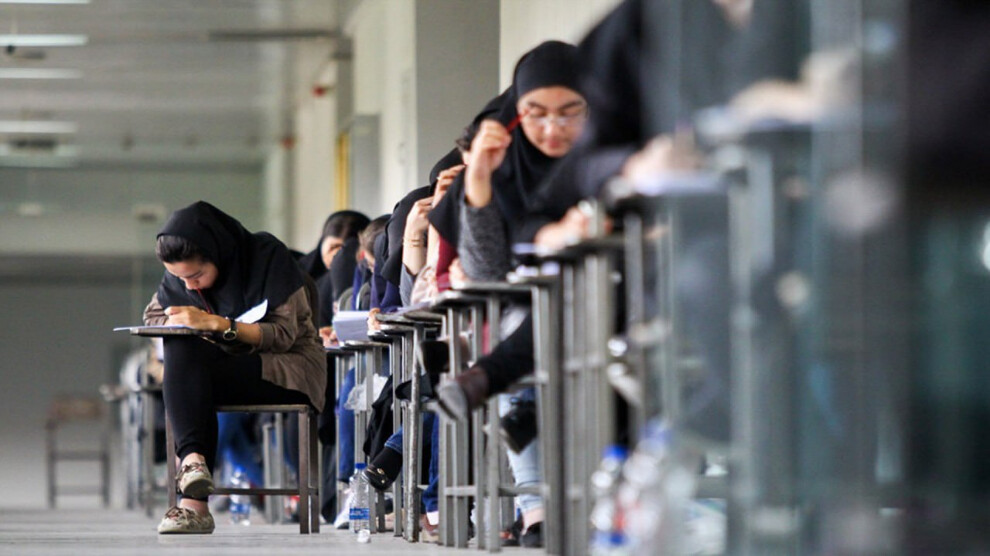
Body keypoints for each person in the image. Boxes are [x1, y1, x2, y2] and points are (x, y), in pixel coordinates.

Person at [144, 201, 325, 534]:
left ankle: (193, 504)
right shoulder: (182, 277)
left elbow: (284, 334)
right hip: (219, 370)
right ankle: (194, 466)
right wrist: (187, 323)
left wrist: (217, 324)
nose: (189, 287)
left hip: (285, 368)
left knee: (191, 373)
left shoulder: (267, 257)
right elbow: (154, 316)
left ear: (218, 252)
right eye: (180, 278)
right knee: (181, 345)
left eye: (196, 275)